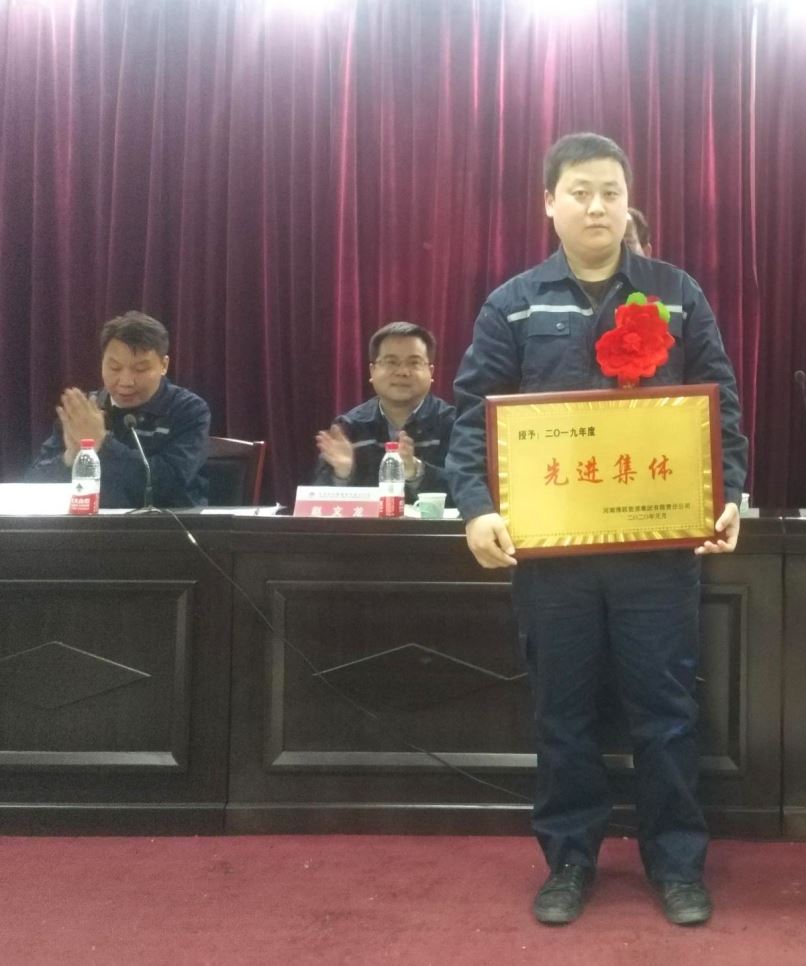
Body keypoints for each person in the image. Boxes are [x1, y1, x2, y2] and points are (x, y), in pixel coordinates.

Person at [446, 133, 747, 928]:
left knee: (666, 710)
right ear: (549, 202)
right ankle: (570, 859)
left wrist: (728, 494)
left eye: (611, 192)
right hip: (553, 557)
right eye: (579, 192)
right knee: (563, 712)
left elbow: (719, 404)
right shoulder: (514, 303)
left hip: (656, 550)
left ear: (629, 201)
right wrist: (476, 505)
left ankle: (676, 863)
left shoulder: (675, 293)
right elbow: (474, 417)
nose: (596, 207)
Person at [24, 311, 210, 508]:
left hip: (166, 524)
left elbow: (169, 483)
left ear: (164, 365)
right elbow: (32, 485)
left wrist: (102, 444)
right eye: (114, 368)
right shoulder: (84, 412)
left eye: (140, 369)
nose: (125, 381)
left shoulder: (188, 410)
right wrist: (70, 457)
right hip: (93, 523)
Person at [312, 321, 456, 497]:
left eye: (414, 362)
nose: (402, 372)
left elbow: (467, 492)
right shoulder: (349, 427)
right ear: (372, 371)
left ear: (431, 372)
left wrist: (416, 471)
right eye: (391, 362)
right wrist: (342, 474)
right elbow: (317, 502)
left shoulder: (452, 423)